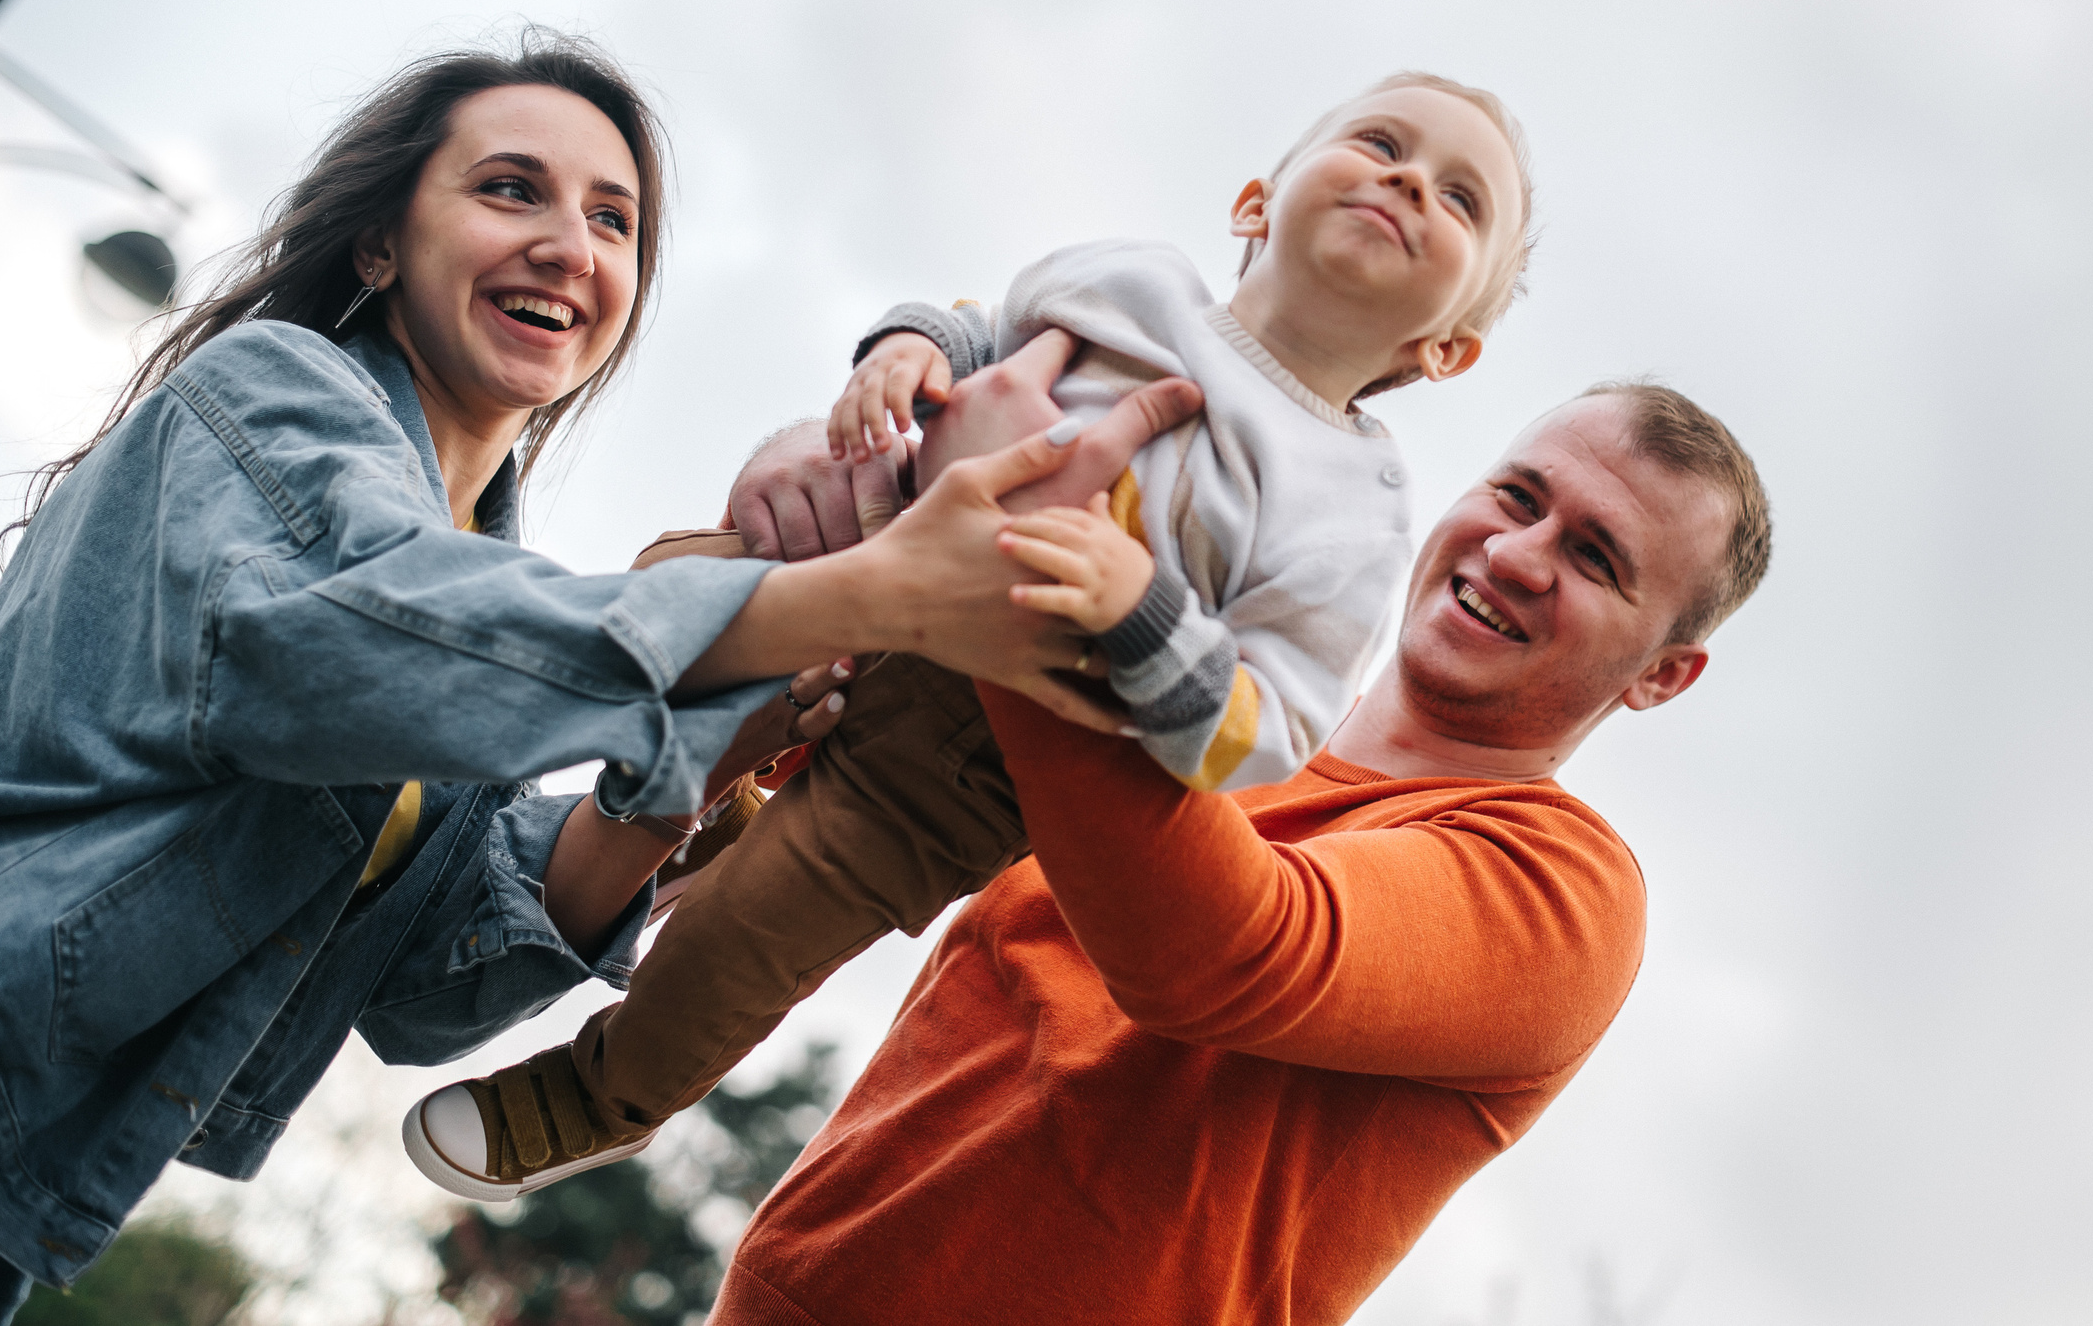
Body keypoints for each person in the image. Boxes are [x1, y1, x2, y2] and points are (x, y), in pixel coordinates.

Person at [0, 34, 1191, 1324]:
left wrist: (684, 777)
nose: (569, 244)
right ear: (379, 245)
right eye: (508, 189)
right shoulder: (271, 396)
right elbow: (360, 631)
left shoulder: (484, 564)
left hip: (1, 1172)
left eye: (613, 220)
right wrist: (855, 592)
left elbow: (419, 986)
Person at [402, 70, 1540, 1197]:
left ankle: (599, 1093)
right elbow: (977, 324)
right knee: (667, 590)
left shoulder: (1353, 506)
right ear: (1258, 199)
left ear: (1447, 348)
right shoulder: (1132, 280)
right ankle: (677, 789)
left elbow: (1268, 728)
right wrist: (901, 353)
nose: (1407, 179)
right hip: (857, 563)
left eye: (1460, 198)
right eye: (1380, 140)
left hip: (961, 760)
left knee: (754, 933)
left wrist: (1139, 604)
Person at [708, 380, 1773, 1326]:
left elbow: (1224, 947)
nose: (1515, 553)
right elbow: (877, 812)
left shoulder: (1564, 887)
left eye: (1594, 557)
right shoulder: (1210, 711)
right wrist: (839, 483)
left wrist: (1026, 579)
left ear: (1662, 674)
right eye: (1517, 494)